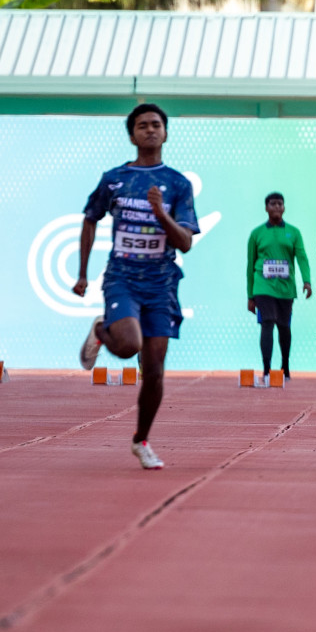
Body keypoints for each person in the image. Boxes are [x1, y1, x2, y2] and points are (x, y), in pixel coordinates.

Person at [75, 104, 199, 471]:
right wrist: (82, 274)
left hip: (161, 283)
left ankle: (141, 441)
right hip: (123, 277)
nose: (149, 130)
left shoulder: (178, 184)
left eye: (156, 125)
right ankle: (102, 329)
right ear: (132, 135)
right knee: (130, 346)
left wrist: (162, 215)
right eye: (142, 125)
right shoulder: (114, 179)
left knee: (155, 369)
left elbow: (185, 242)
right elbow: (90, 219)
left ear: (166, 133)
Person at [246, 192, 312, 383]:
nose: (276, 207)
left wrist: (306, 281)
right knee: (267, 322)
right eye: (272, 204)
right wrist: (250, 295)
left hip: (285, 288)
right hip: (263, 286)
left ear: (284, 208)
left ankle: (285, 366)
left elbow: (302, 258)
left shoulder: (294, 232)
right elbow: (250, 265)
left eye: (279, 204)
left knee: (284, 326)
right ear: (266, 208)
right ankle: (266, 370)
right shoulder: (257, 233)